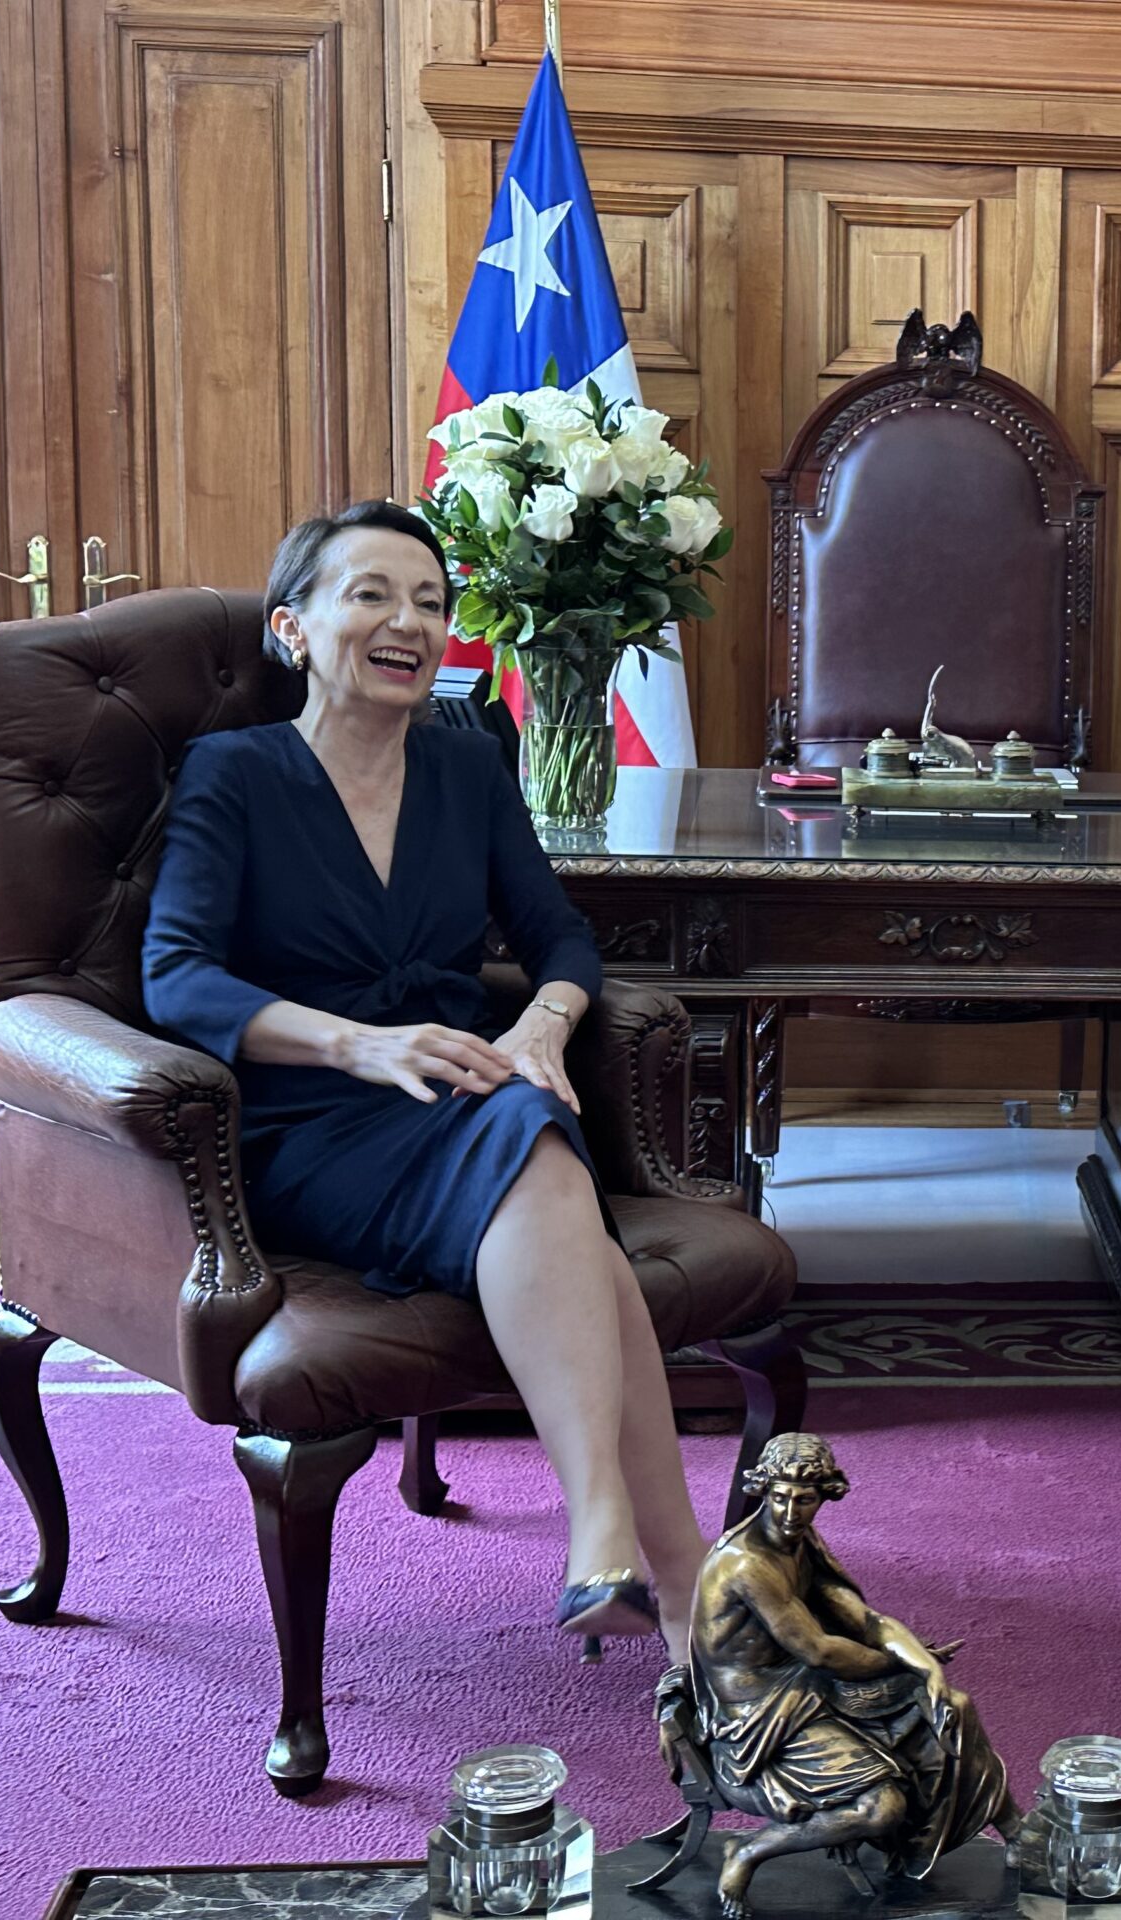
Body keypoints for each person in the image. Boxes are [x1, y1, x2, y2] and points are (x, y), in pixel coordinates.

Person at [141, 500, 708, 1660]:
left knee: (530, 1123)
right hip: (310, 1121)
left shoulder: (466, 762)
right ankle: (675, 1572)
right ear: (293, 629)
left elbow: (559, 938)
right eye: (371, 595)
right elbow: (177, 977)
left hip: (459, 1092)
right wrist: (360, 1044)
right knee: (546, 1166)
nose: (409, 622)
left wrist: (546, 1023)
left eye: (431, 603)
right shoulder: (233, 774)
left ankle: (628, 1555)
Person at [653, 1433, 1013, 1913]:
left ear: (825, 1495)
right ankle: (749, 1850)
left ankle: (1016, 1832)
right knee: (881, 1807)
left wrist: (925, 1667)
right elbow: (819, 1650)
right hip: (755, 1723)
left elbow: (866, 1621)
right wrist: (902, 1663)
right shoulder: (746, 1563)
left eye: (804, 1500)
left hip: (805, 1690)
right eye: (780, 1498)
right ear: (763, 1491)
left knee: (954, 1705)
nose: (790, 1512)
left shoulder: (799, 1542)